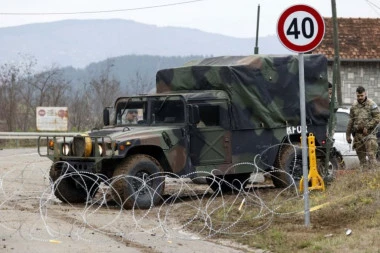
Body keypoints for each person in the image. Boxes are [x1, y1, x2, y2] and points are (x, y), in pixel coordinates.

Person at [346, 86, 380, 169]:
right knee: (362, 161)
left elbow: (377, 117)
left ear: (365, 94)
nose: (360, 98)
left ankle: (375, 178)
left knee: (372, 158)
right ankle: (364, 178)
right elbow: (351, 121)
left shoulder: (371, 104)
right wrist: (348, 135)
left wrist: (368, 127)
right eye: (358, 96)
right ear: (356, 95)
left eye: (362, 95)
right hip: (358, 136)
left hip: (369, 135)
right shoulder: (354, 106)